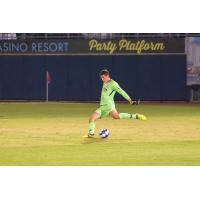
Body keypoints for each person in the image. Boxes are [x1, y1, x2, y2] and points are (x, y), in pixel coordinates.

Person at [86, 69, 147, 137]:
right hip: (104, 106)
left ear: (107, 76)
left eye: (103, 77)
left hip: (108, 106)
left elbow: (122, 92)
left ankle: (91, 133)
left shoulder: (113, 84)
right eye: (101, 78)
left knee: (92, 118)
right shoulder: (105, 82)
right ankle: (136, 116)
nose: (102, 79)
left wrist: (130, 100)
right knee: (116, 116)